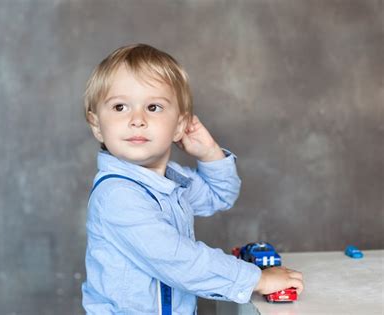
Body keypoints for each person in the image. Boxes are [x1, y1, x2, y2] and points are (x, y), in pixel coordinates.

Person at [81, 43, 303, 314]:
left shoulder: (172, 182)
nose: (136, 119)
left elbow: (220, 196)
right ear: (96, 126)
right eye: (119, 107)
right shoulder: (117, 196)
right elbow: (178, 260)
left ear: (179, 126)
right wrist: (256, 278)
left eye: (153, 107)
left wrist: (210, 153)